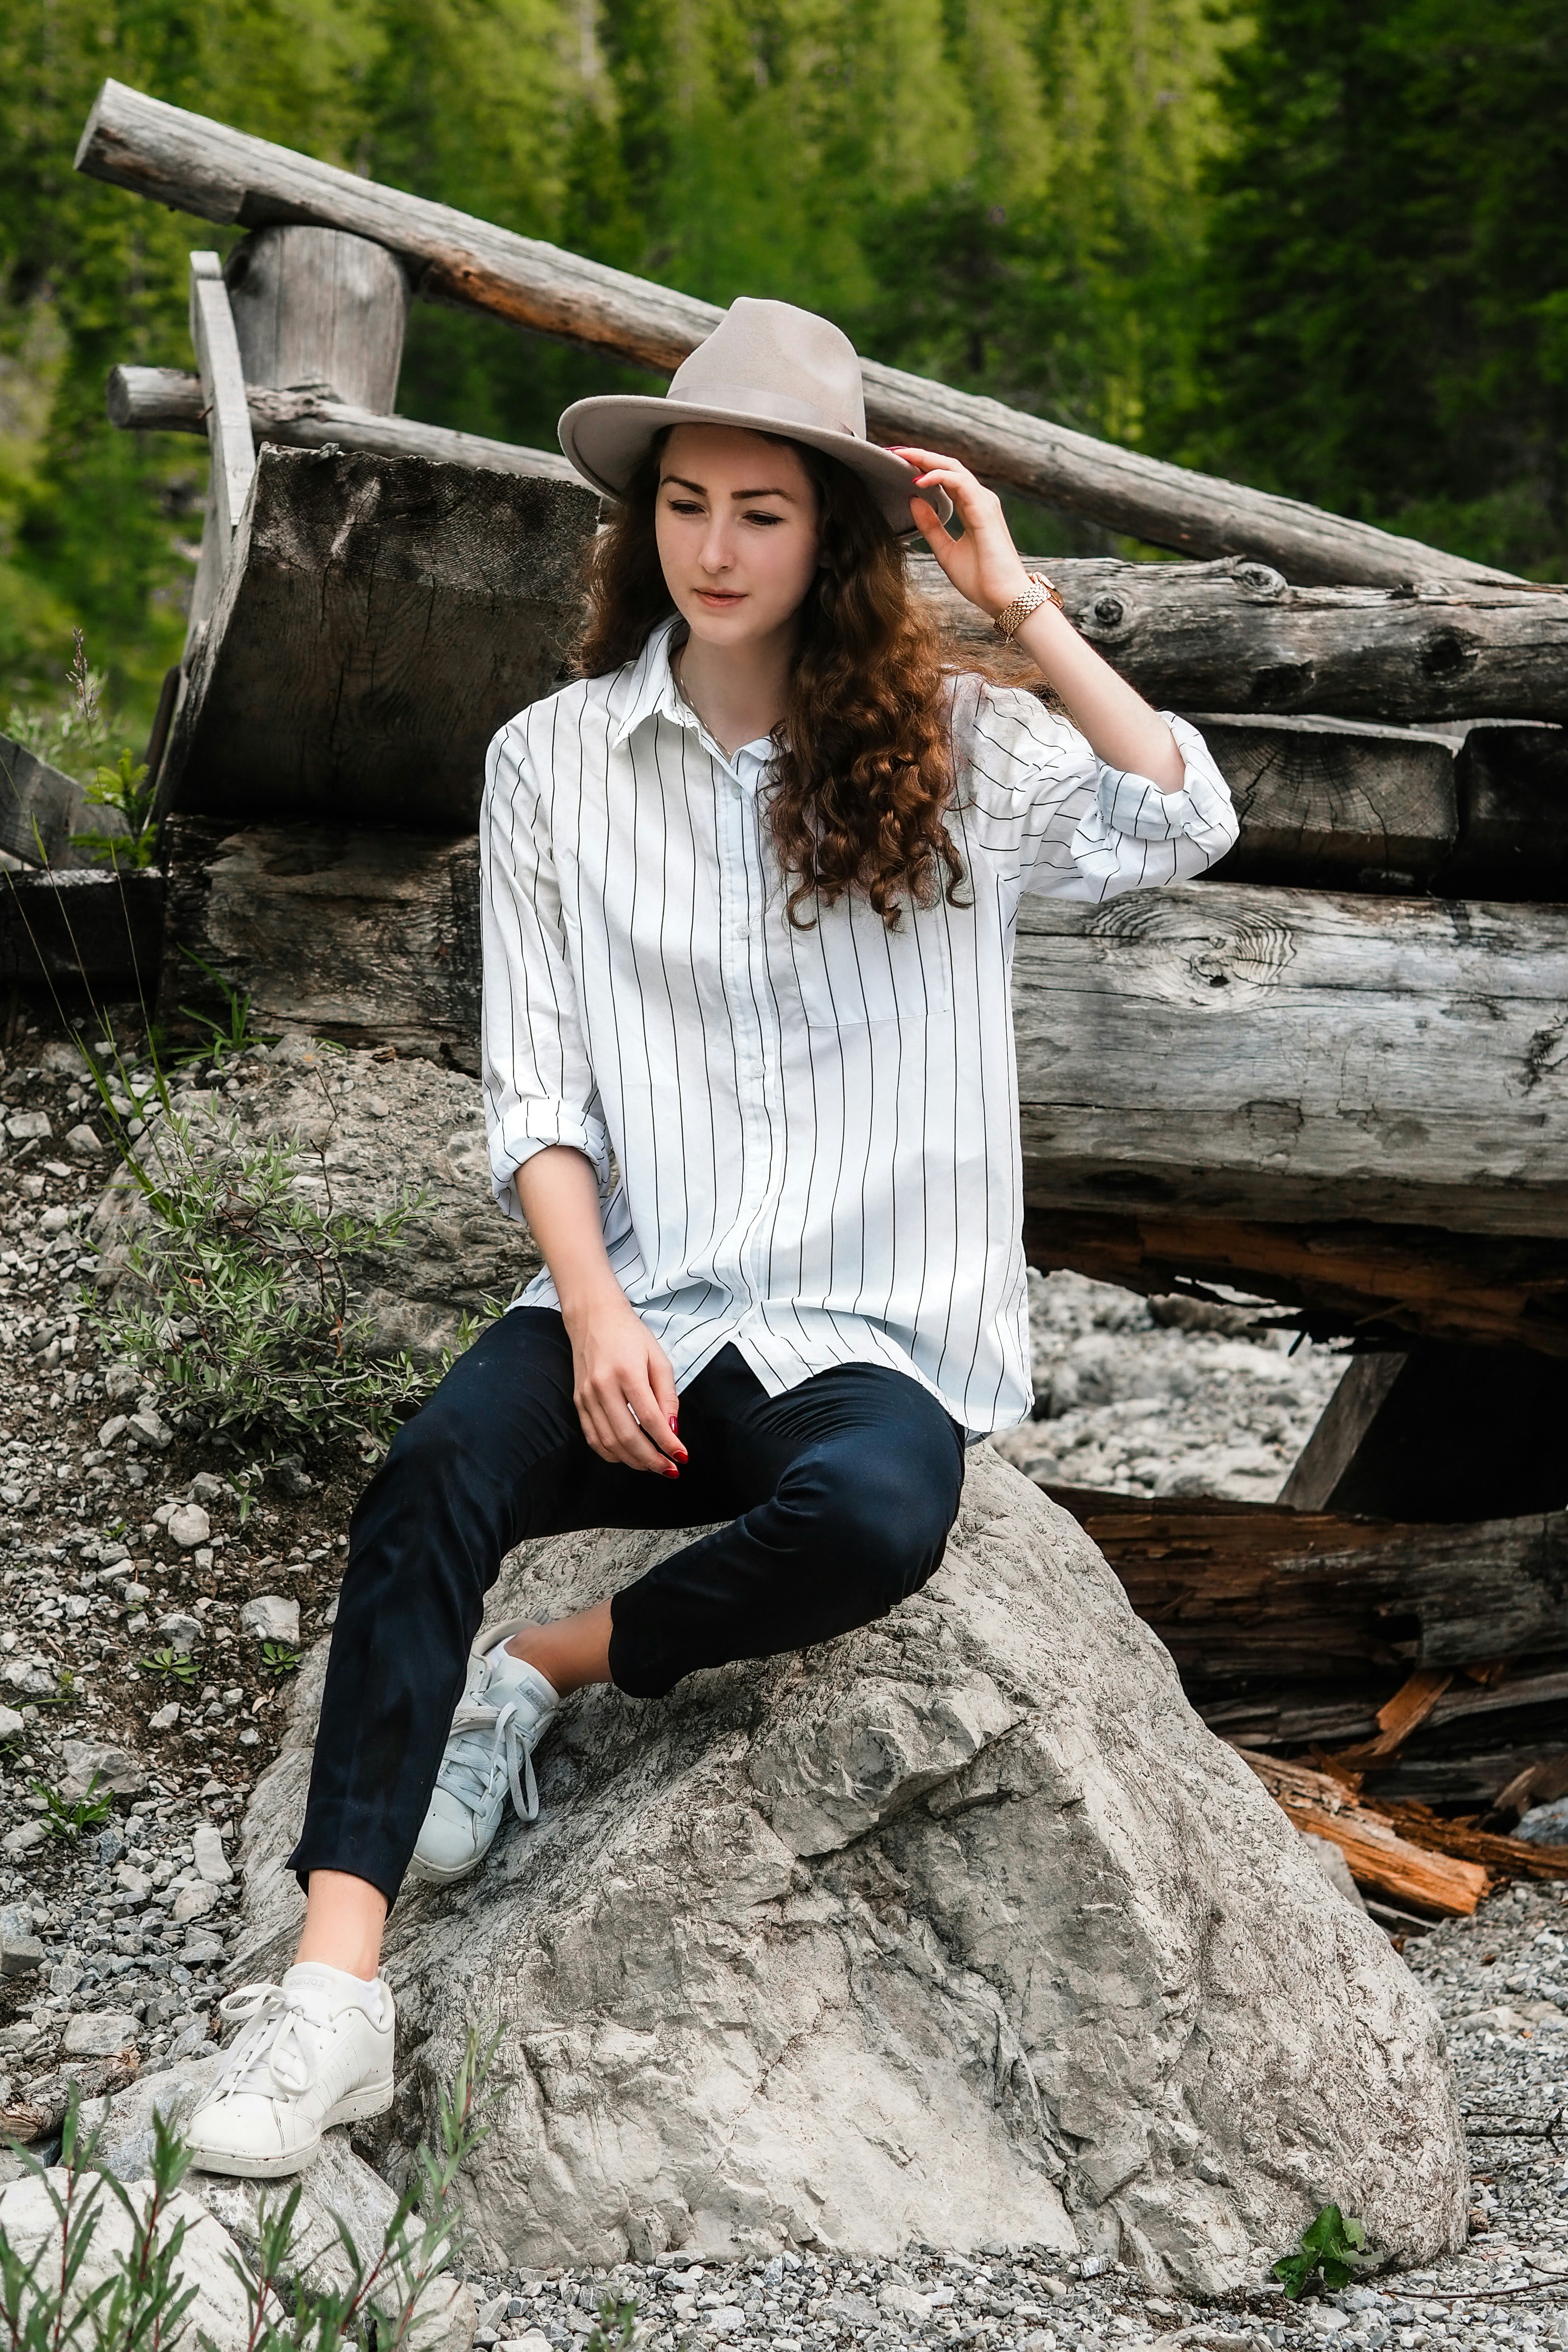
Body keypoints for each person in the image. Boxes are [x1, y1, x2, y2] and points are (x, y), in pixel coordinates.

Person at [184, 297, 1238, 2178]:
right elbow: (541, 1096)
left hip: (861, 1333)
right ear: (644, 520)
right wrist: (587, 1314)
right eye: (688, 504)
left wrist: (1018, 601)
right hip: (643, 1297)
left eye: (765, 509)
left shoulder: (958, 751)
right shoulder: (552, 766)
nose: (719, 546)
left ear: (831, 534)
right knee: (433, 1468)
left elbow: (1187, 819)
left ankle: (544, 1673)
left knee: (881, 1517)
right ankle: (331, 2001)